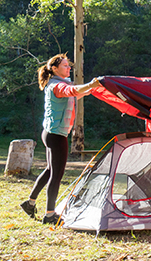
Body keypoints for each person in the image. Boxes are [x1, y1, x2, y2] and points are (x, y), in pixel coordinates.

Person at [20, 54, 100, 225]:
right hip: (56, 136)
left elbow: (74, 94)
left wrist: (91, 89)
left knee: (50, 170)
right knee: (56, 175)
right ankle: (50, 215)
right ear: (55, 69)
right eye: (65, 66)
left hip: (50, 133)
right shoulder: (58, 85)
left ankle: (30, 203)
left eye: (68, 65)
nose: (68, 68)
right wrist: (90, 85)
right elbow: (70, 91)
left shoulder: (57, 84)